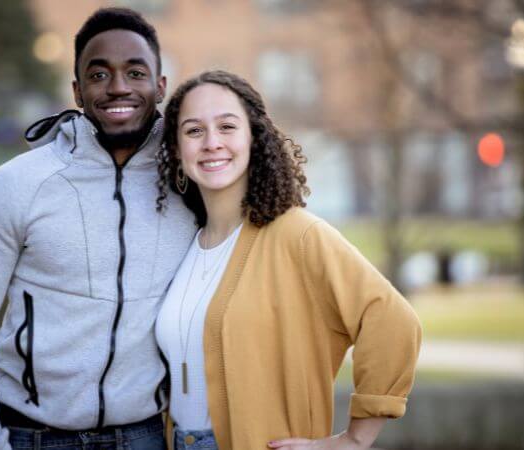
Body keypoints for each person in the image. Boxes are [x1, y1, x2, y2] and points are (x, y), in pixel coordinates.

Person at [0, 8, 196, 450]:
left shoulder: (191, 188)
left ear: (160, 86)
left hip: (146, 436)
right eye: (98, 74)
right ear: (77, 90)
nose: (118, 87)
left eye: (135, 72)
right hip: (32, 437)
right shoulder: (14, 186)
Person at [154, 70, 422, 450]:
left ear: (254, 139)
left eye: (227, 127)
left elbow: (392, 321)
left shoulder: (296, 234)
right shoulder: (185, 246)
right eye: (194, 131)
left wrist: (353, 440)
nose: (212, 142)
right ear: (178, 151)